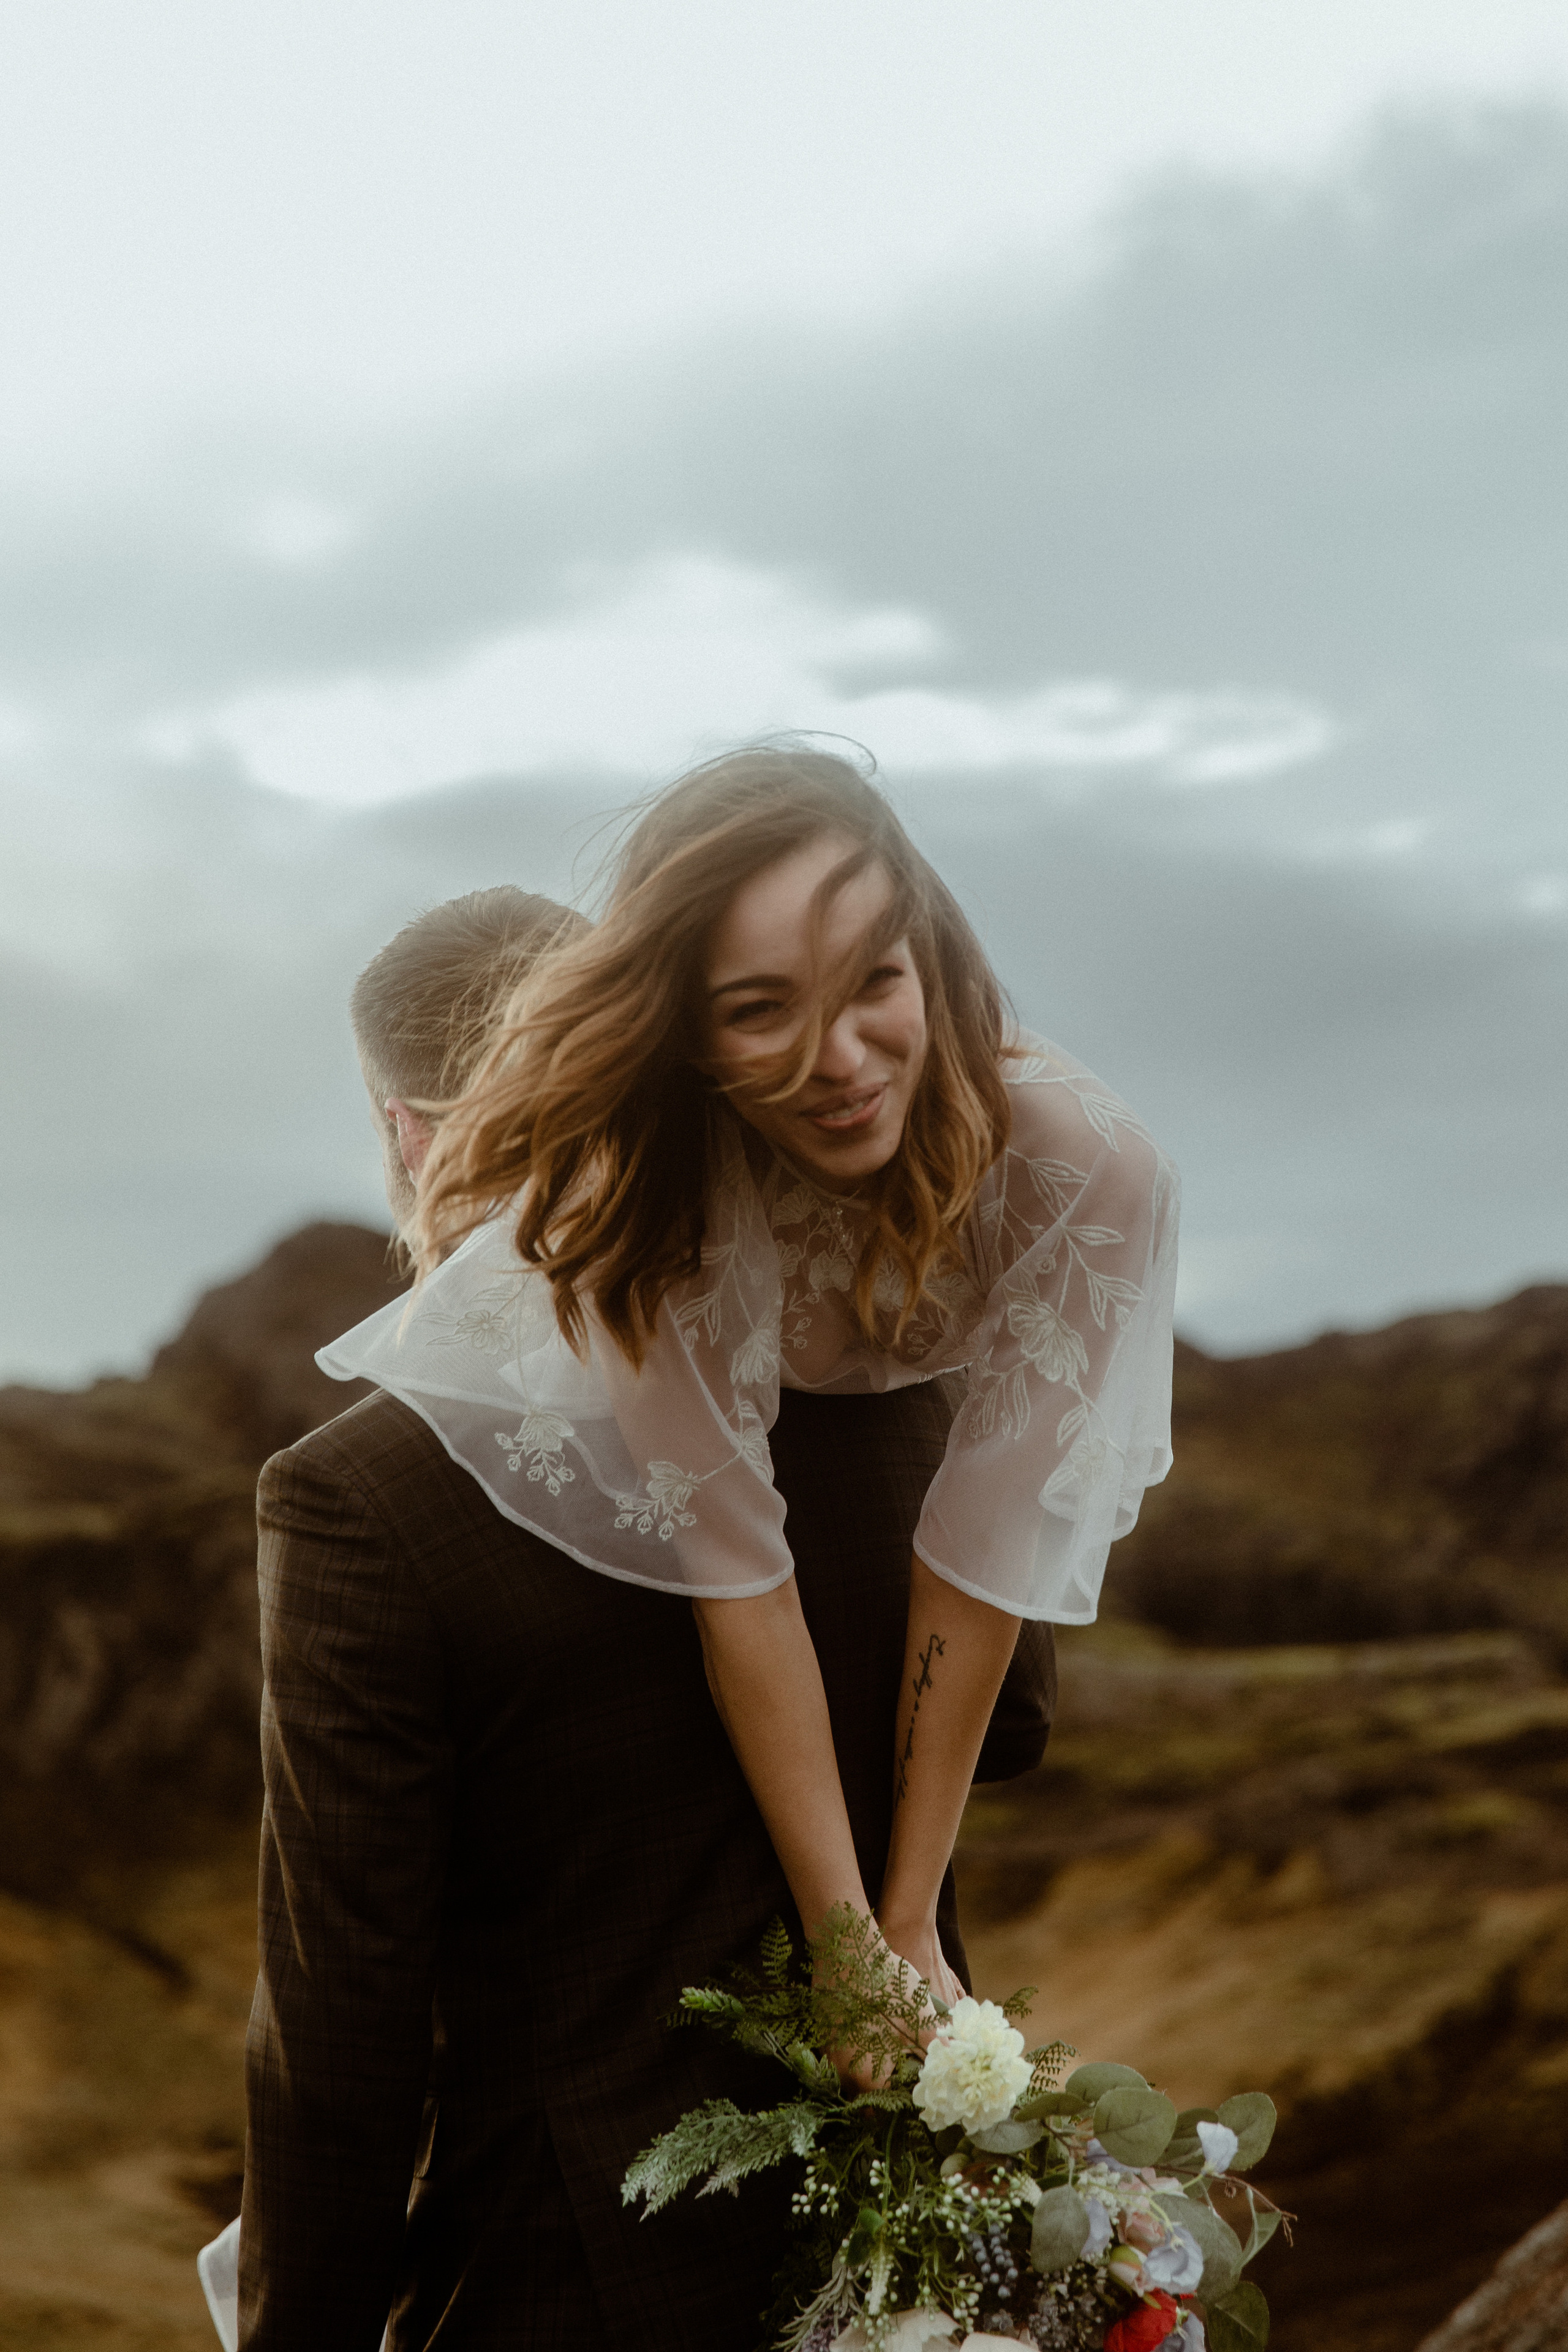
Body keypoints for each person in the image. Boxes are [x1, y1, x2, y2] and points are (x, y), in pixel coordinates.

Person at [237, 880, 1057, 2351]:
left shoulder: (359, 1495)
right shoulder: (885, 1377)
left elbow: (339, 2029)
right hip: (918, 2233)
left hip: (571, 2283)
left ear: (404, 1136)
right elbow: (1017, 1718)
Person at [331, 745, 1178, 2018]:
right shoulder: (655, 1182)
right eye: (760, 1009)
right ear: (688, 1030)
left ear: (929, 952)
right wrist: (847, 1948)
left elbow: (985, 1545)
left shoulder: (1094, 1175)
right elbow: (739, 1576)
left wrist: (905, 1926)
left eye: (872, 982)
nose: (837, 1058)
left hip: (924, 1457)